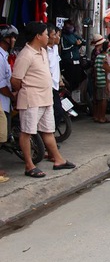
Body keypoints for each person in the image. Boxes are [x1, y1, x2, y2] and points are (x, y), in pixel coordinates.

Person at [11, 22, 76, 178]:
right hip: (31, 99)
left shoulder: (43, 51)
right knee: (27, 132)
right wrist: (28, 89)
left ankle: (58, 160)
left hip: (46, 98)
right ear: (38, 36)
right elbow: (15, 80)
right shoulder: (26, 55)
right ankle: (29, 165)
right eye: (47, 34)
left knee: (48, 130)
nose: (49, 36)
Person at [0, 25, 18, 149]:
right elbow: (1, 86)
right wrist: (12, 96)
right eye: (12, 37)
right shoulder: (0, 58)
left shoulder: (5, 56)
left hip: (5, 102)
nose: (14, 40)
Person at [93, 41, 110, 123]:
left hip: (98, 80)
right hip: (104, 80)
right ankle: (102, 117)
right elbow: (107, 70)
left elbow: (95, 69)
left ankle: (97, 116)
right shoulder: (107, 57)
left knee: (98, 99)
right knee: (104, 99)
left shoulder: (98, 56)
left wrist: (96, 80)